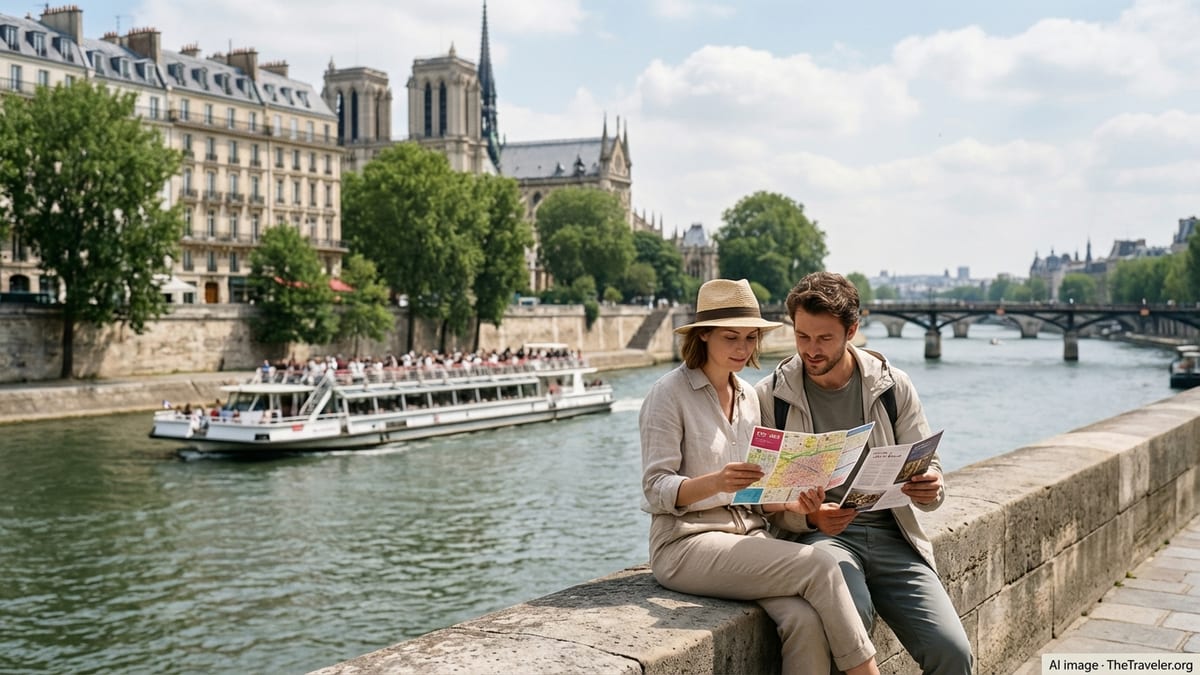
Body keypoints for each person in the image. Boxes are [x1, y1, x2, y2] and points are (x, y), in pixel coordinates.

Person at [641, 278, 879, 675]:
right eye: (731, 337)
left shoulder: (750, 397)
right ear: (703, 336)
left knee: (805, 621)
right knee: (820, 565)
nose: (743, 348)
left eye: (751, 338)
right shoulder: (668, 394)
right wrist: (716, 482)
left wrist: (801, 506)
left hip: (750, 536)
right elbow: (655, 489)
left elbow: (758, 494)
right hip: (685, 544)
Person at [755, 271, 973, 674]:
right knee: (848, 618)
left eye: (824, 338)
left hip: (894, 535)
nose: (811, 350)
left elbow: (931, 468)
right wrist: (809, 516)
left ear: (852, 330)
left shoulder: (892, 386)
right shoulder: (771, 396)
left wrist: (931, 488)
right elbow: (764, 502)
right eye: (802, 337)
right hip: (823, 538)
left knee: (953, 652)